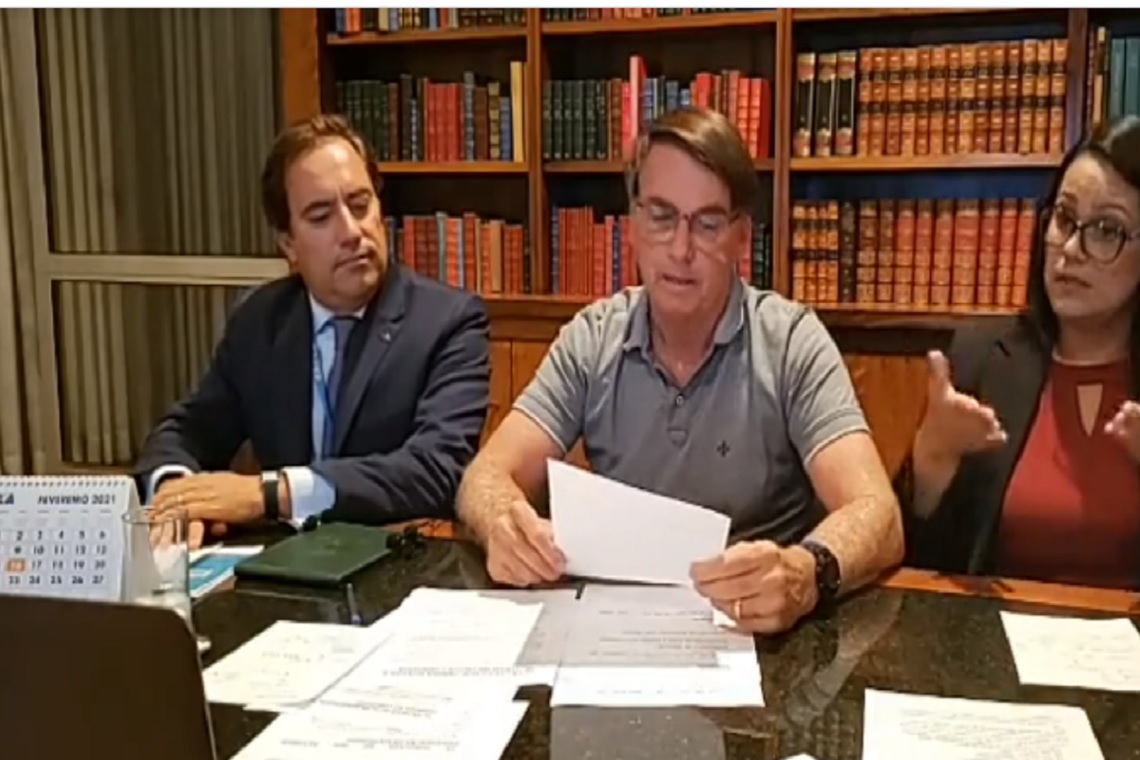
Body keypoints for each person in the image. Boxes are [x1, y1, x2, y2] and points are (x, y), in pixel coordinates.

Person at [456, 107, 904, 634]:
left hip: (756, 633)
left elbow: (879, 513)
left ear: (741, 237)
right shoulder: (593, 337)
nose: (681, 248)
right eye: (661, 216)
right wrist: (502, 523)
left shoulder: (791, 342)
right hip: (618, 626)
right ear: (632, 225)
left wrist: (807, 572)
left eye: (708, 224)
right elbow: (485, 475)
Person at [135, 114, 491, 548]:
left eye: (360, 205)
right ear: (288, 244)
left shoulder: (447, 321)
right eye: (322, 217)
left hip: (398, 563)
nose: (352, 232)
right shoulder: (260, 319)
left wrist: (270, 494)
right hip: (281, 566)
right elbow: (188, 431)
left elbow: (436, 470)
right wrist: (177, 494)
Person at [898, 116, 1140, 590]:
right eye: (1064, 219)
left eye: (1107, 230)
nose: (1071, 249)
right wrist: (932, 459)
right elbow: (923, 571)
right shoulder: (983, 357)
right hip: (999, 633)